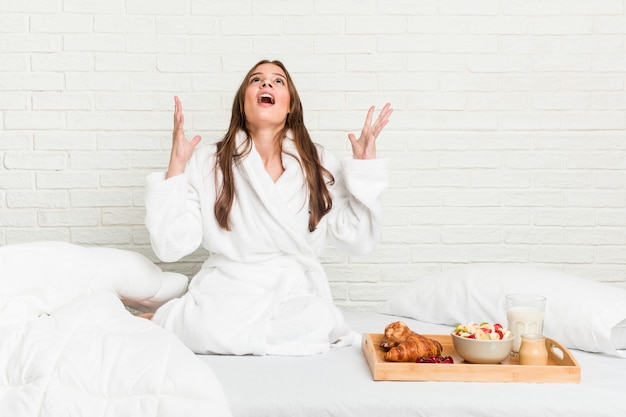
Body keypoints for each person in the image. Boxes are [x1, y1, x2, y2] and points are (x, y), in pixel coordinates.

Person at [144, 59, 392, 356]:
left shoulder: (317, 161)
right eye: (256, 80)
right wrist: (177, 166)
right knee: (213, 317)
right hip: (227, 289)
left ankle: (185, 324)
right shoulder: (209, 160)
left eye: (278, 81)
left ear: (290, 106)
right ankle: (193, 322)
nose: (266, 84)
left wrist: (365, 169)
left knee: (318, 317)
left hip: (292, 291)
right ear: (243, 103)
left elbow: (358, 239)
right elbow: (171, 246)